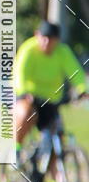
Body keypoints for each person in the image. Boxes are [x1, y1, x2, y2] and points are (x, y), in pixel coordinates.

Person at [15, 20, 87, 149]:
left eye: (51, 39)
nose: (47, 42)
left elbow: (76, 72)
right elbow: (19, 74)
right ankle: (17, 150)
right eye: (44, 38)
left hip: (51, 99)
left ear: (57, 40)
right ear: (37, 35)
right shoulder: (28, 49)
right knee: (25, 114)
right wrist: (25, 92)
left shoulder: (63, 52)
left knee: (57, 138)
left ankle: (56, 167)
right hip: (28, 96)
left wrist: (82, 89)